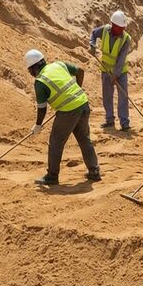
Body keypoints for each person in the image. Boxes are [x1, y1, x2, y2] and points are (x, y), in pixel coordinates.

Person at [24, 49, 101, 186]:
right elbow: (80, 71)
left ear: (35, 67)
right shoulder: (58, 65)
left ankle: (52, 176)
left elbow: (42, 108)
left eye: (30, 71)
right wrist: (77, 89)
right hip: (83, 103)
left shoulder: (40, 81)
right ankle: (94, 171)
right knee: (84, 139)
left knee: (56, 143)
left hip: (68, 111)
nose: (31, 74)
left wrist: (38, 125)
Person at [88, 10, 133, 131]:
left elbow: (122, 59)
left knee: (123, 96)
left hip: (120, 71)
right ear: (113, 25)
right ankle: (109, 120)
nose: (122, 30)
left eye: (123, 28)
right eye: (120, 28)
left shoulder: (126, 38)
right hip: (106, 69)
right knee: (107, 96)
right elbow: (93, 33)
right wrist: (92, 45)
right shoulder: (104, 30)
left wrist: (116, 75)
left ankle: (124, 122)